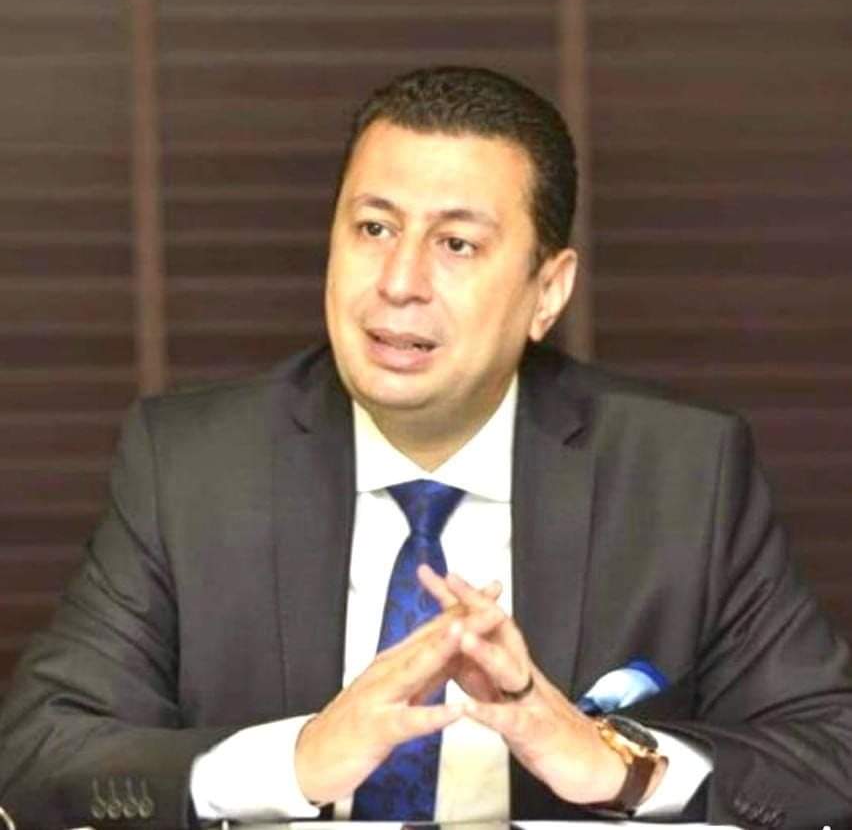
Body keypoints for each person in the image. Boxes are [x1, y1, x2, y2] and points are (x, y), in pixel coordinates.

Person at [1, 65, 851, 830]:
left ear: (547, 291)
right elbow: (42, 748)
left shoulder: (682, 472)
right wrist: (293, 760)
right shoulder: (192, 465)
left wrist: (614, 764)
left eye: (456, 244)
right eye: (373, 228)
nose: (399, 283)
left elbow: (829, 752)